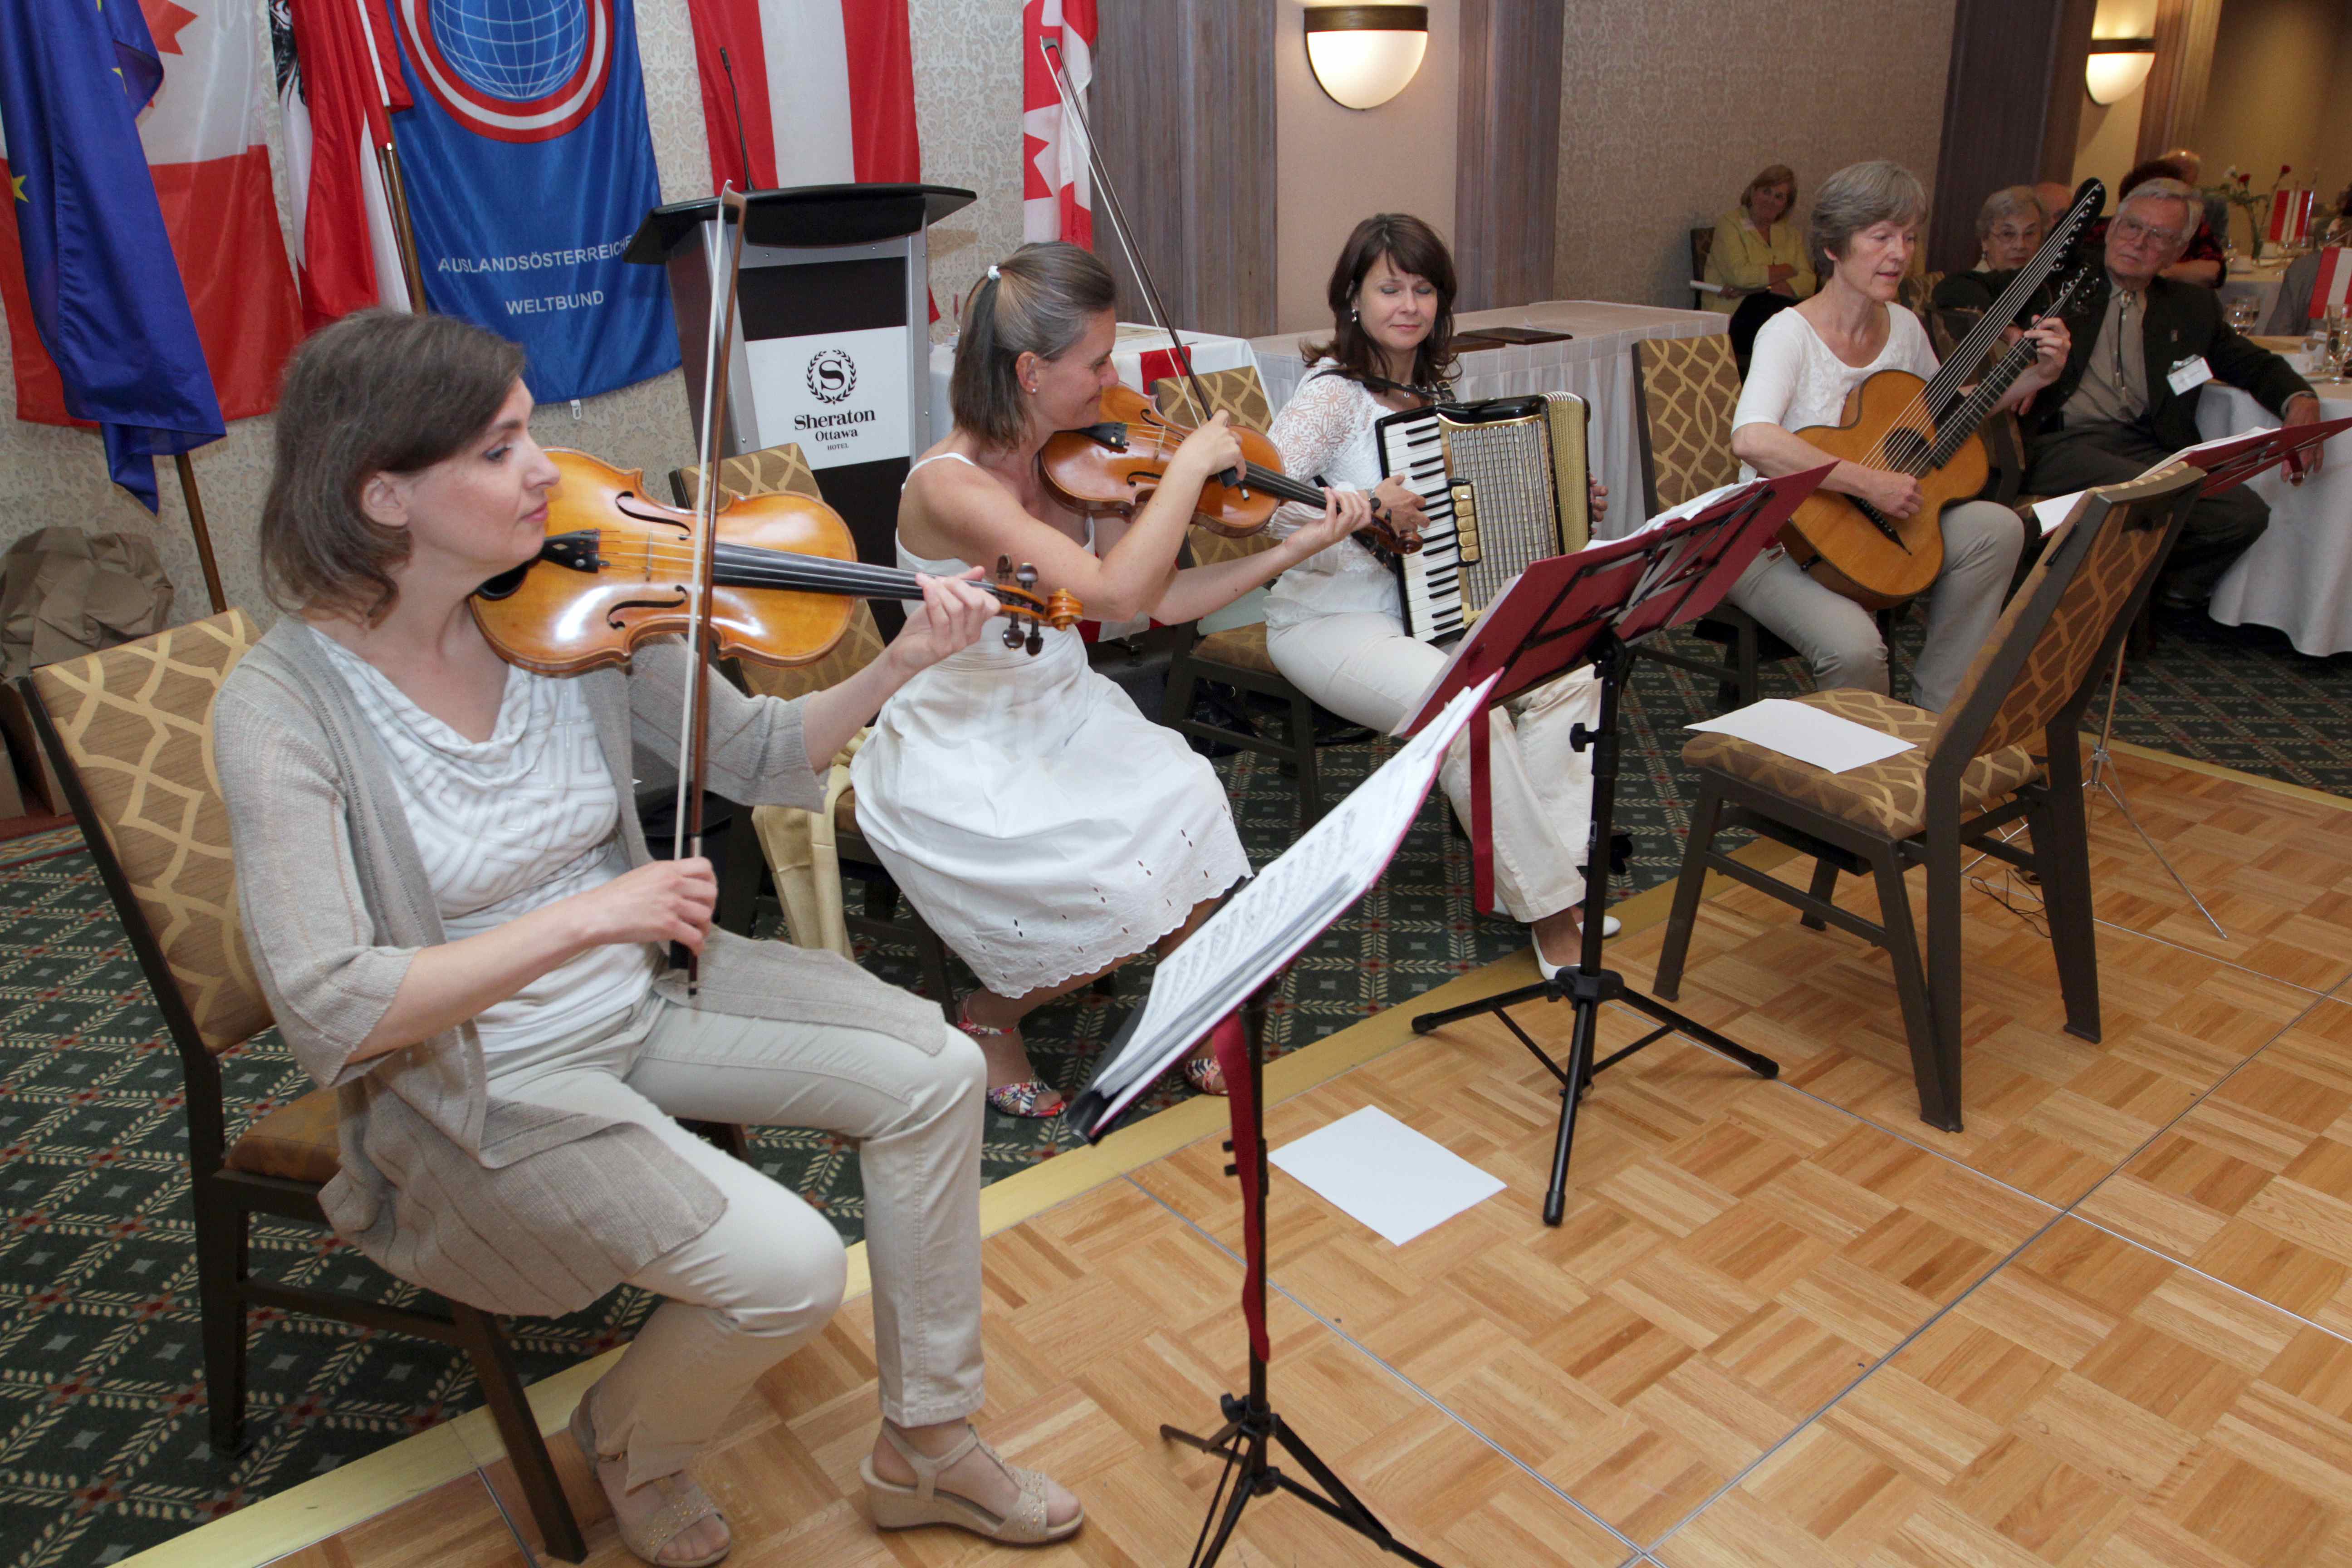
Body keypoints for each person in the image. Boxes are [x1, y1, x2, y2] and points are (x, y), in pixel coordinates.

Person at [216, 311, 1083, 1568]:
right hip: (480, 1080)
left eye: (533, 433)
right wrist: (592, 912)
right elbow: (331, 1007)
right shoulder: (283, 708)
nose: (544, 471)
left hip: (648, 994)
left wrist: (900, 659)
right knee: (789, 1268)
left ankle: (927, 1445)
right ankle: (631, 1441)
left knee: (939, 1073)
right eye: (501, 447)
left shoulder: (577, 608)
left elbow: (768, 760)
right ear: (383, 493)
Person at [850, 243, 1371, 1112]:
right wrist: (1189, 472)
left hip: (1063, 703)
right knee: (1108, 869)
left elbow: (1157, 605)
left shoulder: (1070, 458)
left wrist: (1291, 548)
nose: (1112, 380)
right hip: (966, 731)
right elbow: (1111, 591)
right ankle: (988, 1015)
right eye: (1095, 363)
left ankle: (1184, 1000)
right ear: (1028, 370)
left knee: (1188, 798)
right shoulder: (952, 489)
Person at [1259, 213, 1616, 983]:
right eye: (1389, 287)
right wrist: (1357, 503)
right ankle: (1552, 912)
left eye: (1423, 290)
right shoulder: (1333, 396)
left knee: (1568, 672)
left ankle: (1547, 867)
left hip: (1430, 610)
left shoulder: (1427, 392)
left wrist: (1557, 499)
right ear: (1351, 298)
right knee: (1463, 709)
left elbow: (1467, 515)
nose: (1407, 305)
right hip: (1328, 618)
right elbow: (1257, 501)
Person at [1726, 160, 2067, 712]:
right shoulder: (1788, 332)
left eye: (1908, 237)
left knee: (1997, 528)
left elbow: (1941, 414)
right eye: (1880, 236)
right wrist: (1868, 484)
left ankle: (1940, 713)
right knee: (1857, 650)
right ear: (1835, 246)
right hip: (1769, 538)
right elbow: (1753, 440)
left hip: (1863, 525)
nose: (1900, 253)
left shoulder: (1902, 326)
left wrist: (2034, 377)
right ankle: (1850, 785)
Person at [2018, 176, 2321, 610]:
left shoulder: (2190, 307)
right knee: (2150, 495)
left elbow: (2252, 362)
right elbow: (1966, 287)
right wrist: (2009, 328)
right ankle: (2105, 600)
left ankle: (2153, 592)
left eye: (2159, 236)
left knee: (2244, 512)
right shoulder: (2061, 281)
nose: (2139, 243)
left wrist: (2300, 399)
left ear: (2178, 252)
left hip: (2145, 443)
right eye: (2132, 227)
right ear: (2113, 226)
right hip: (2060, 441)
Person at [1702, 164, 1817, 314]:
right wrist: (1787, 270)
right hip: (1732, 314)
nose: (1770, 201)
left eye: (1779, 197)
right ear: (1753, 192)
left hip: (1776, 313)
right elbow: (1740, 276)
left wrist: (1760, 289)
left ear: (1785, 206)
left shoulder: (1791, 234)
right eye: (1766, 192)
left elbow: (1809, 282)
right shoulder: (1729, 224)